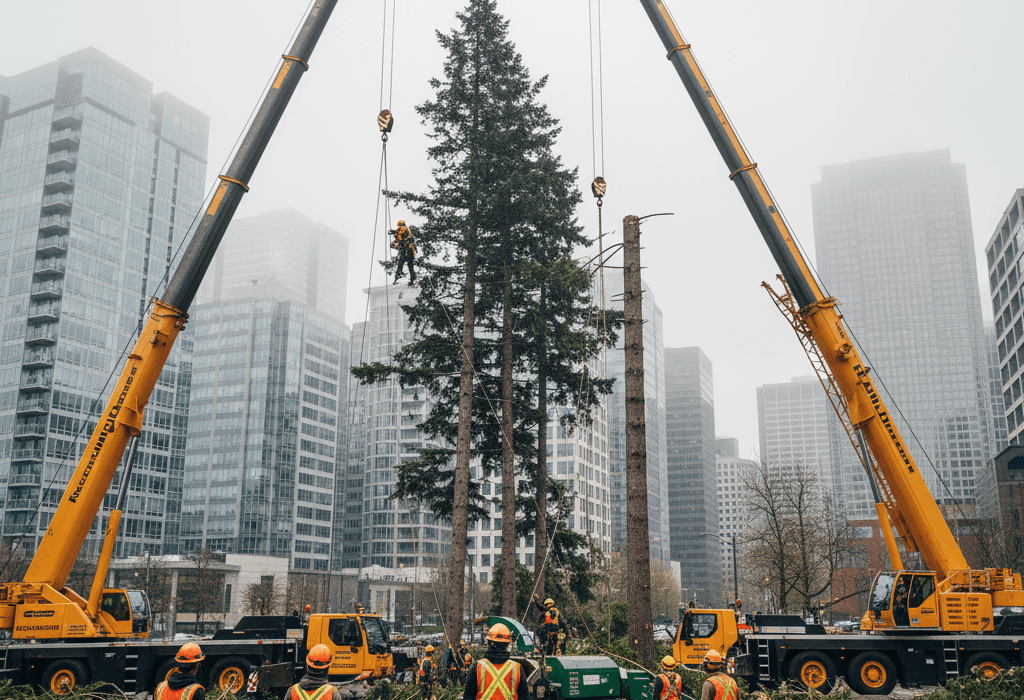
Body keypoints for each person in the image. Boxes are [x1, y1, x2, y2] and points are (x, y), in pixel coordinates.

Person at [463, 624, 529, 700]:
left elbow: (468, 696)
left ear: (489, 642)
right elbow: (524, 697)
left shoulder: (478, 666)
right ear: (507, 644)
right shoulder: (517, 668)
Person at [391, 220, 417, 284]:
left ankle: (399, 275)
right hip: (409, 250)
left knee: (401, 263)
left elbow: (401, 235)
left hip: (407, 250)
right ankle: (412, 277)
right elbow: (400, 239)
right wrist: (394, 242)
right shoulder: (403, 231)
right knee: (409, 264)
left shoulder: (404, 229)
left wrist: (394, 232)